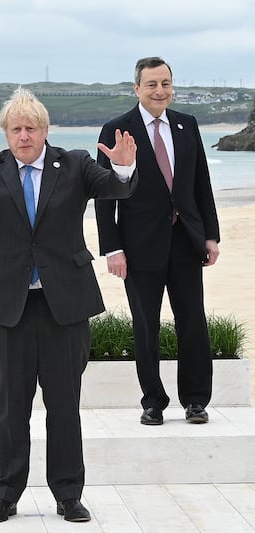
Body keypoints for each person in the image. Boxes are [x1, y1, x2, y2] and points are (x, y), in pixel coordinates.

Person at [0, 87, 138, 523]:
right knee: (11, 408)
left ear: (45, 130)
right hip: (7, 306)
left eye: (31, 127)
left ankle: (68, 495)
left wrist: (123, 164)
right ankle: (5, 494)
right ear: (5, 134)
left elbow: (117, 188)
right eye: (16, 129)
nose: (24, 136)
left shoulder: (75, 163)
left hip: (66, 306)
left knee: (64, 406)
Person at [95, 57, 221, 426]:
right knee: (146, 326)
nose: (159, 91)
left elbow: (201, 184)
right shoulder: (117, 130)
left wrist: (210, 235)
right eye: (151, 84)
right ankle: (153, 401)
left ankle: (196, 401)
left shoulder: (187, 124)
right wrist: (112, 248)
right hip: (138, 248)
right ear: (136, 88)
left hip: (186, 241)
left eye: (165, 83)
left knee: (193, 324)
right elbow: (104, 195)